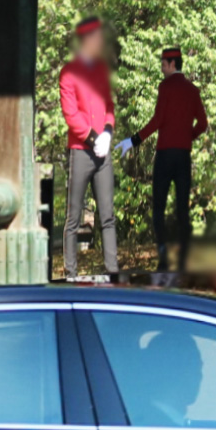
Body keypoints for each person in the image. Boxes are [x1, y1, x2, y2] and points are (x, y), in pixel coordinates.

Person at [57, 17, 130, 280]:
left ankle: (112, 271)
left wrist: (108, 133)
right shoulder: (68, 73)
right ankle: (70, 274)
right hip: (81, 150)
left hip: (103, 151)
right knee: (73, 218)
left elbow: (109, 106)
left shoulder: (101, 70)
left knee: (107, 216)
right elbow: (71, 114)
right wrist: (93, 139)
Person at [141, 46, 209, 274]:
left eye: (163, 64)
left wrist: (134, 139)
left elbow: (157, 120)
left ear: (172, 64)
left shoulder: (165, 87)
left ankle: (163, 257)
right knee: (182, 210)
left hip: (165, 155)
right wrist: (188, 136)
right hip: (183, 156)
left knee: (158, 207)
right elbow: (203, 124)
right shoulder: (193, 90)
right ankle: (184, 261)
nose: (161, 68)